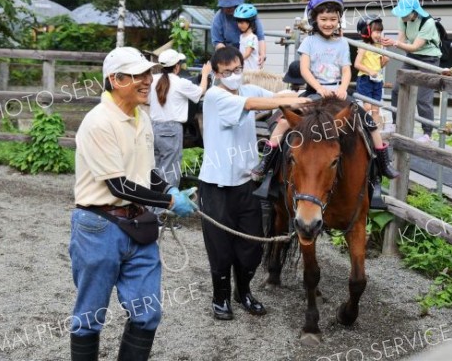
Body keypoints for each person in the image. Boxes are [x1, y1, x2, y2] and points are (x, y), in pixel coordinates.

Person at [70, 47, 198, 361]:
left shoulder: (142, 117)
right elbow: (119, 185)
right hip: (99, 226)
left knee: (147, 314)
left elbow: (144, 172)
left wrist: (166, 186)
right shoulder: (99, 122)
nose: (147, 81)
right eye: (138, 75)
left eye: (148, 74)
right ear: (115, 79)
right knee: (89, 318)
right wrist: (169, 200)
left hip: (139, 225)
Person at [198, 46, 308, 321]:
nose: (234, 75)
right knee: (221, 249)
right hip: (216, 187)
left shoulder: (248, 90)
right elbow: (253, 106)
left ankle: (243, 292)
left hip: (247, 183)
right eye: (227, 72)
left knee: (251, 247)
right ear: (216, 73)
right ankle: (220, 297)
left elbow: (280, 97)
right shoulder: (214, 96)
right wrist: (283, 103)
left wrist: (310, 99)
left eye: (237, 70)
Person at [299, 0, 398, 184]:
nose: (328, 23)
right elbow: (304, 69)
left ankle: (382, 163)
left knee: (368, 121)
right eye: (324, 19)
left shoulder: (343, 43)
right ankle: (269, 166)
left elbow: (346, 70)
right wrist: (319, 88)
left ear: (339, 20)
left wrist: (344, 88)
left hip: (338, 92)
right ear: (315, 19)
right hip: (315, 92)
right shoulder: (308, 42)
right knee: (286, 121)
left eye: (333, 19)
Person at [382, 0, 442, 144]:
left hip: (429, 59)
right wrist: (391, 44)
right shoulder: (403, 19)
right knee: (396, 89)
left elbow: (415, 46)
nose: (401, 16)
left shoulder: (428, 23)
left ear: (414, 11)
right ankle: (395, 124)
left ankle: (427, 133)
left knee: (423, 98)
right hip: (412, 57)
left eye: (404, 13)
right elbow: (401, 41)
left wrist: (395, 43)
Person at [149, 49, 212, 188]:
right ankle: (166, 206)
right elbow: (200, 92)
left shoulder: (152, 81)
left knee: (155, 169)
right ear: (177, 66)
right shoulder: (181, 83)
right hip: (171, 129)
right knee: (170, 172)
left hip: (152, 127)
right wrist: (205, 74)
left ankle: (152, 207)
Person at [250, 60, 306, 180]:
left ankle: (265, 163)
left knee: (281, 124)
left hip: (294, 117)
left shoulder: (284, 92)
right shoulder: (310, 92)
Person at [211, 0, 266, 68]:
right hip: (228, 56)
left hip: (249, 61)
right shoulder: (218, 18)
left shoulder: (248, 14)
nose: (229, 8)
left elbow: (260, 37)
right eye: (226, 6)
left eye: (232, 5)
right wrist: (228, 58)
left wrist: (262, 54)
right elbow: (218, 42)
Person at [234, 3, 260, 71]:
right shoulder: (241, 36)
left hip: (252, 72)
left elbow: (247, 53)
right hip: (244, 70)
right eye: (238, 22)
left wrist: (235, 61)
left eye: (242, 23)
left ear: (250, 23)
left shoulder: (252, 38)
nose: (239, 25)